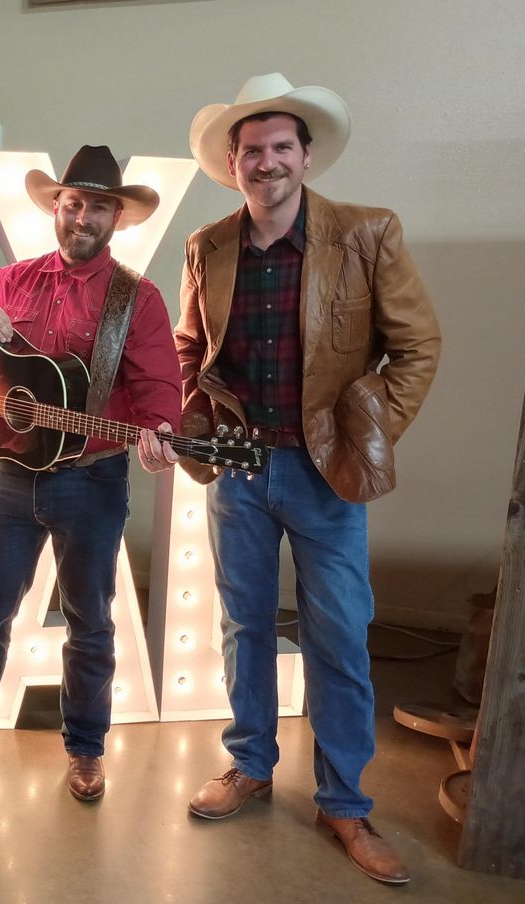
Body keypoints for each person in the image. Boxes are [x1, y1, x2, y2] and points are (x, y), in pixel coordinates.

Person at [175, 74, 441, 884]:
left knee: (338, 638)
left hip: (329, 477)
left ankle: (346, 805)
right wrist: (194, 429)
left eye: (281, 147)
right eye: (251, 150)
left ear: (307, 155)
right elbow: (192, 350)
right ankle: (249, 766)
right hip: (240, 476)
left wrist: (366, 435)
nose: (267, 162)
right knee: (244, 627)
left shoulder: (367, 234)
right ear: (233, 161)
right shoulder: (208, 247)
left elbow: (417, 346)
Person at [0, 145, 182, 802]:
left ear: (115, 217)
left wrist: (161, 432)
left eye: (95, 206)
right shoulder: (12, 280)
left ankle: (86, 749)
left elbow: (159, 387)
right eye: (71, 203)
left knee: (89, 620)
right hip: (9, 474)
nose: (81, 216)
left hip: (92, 478)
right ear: (56, 209)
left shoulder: (136, 300)